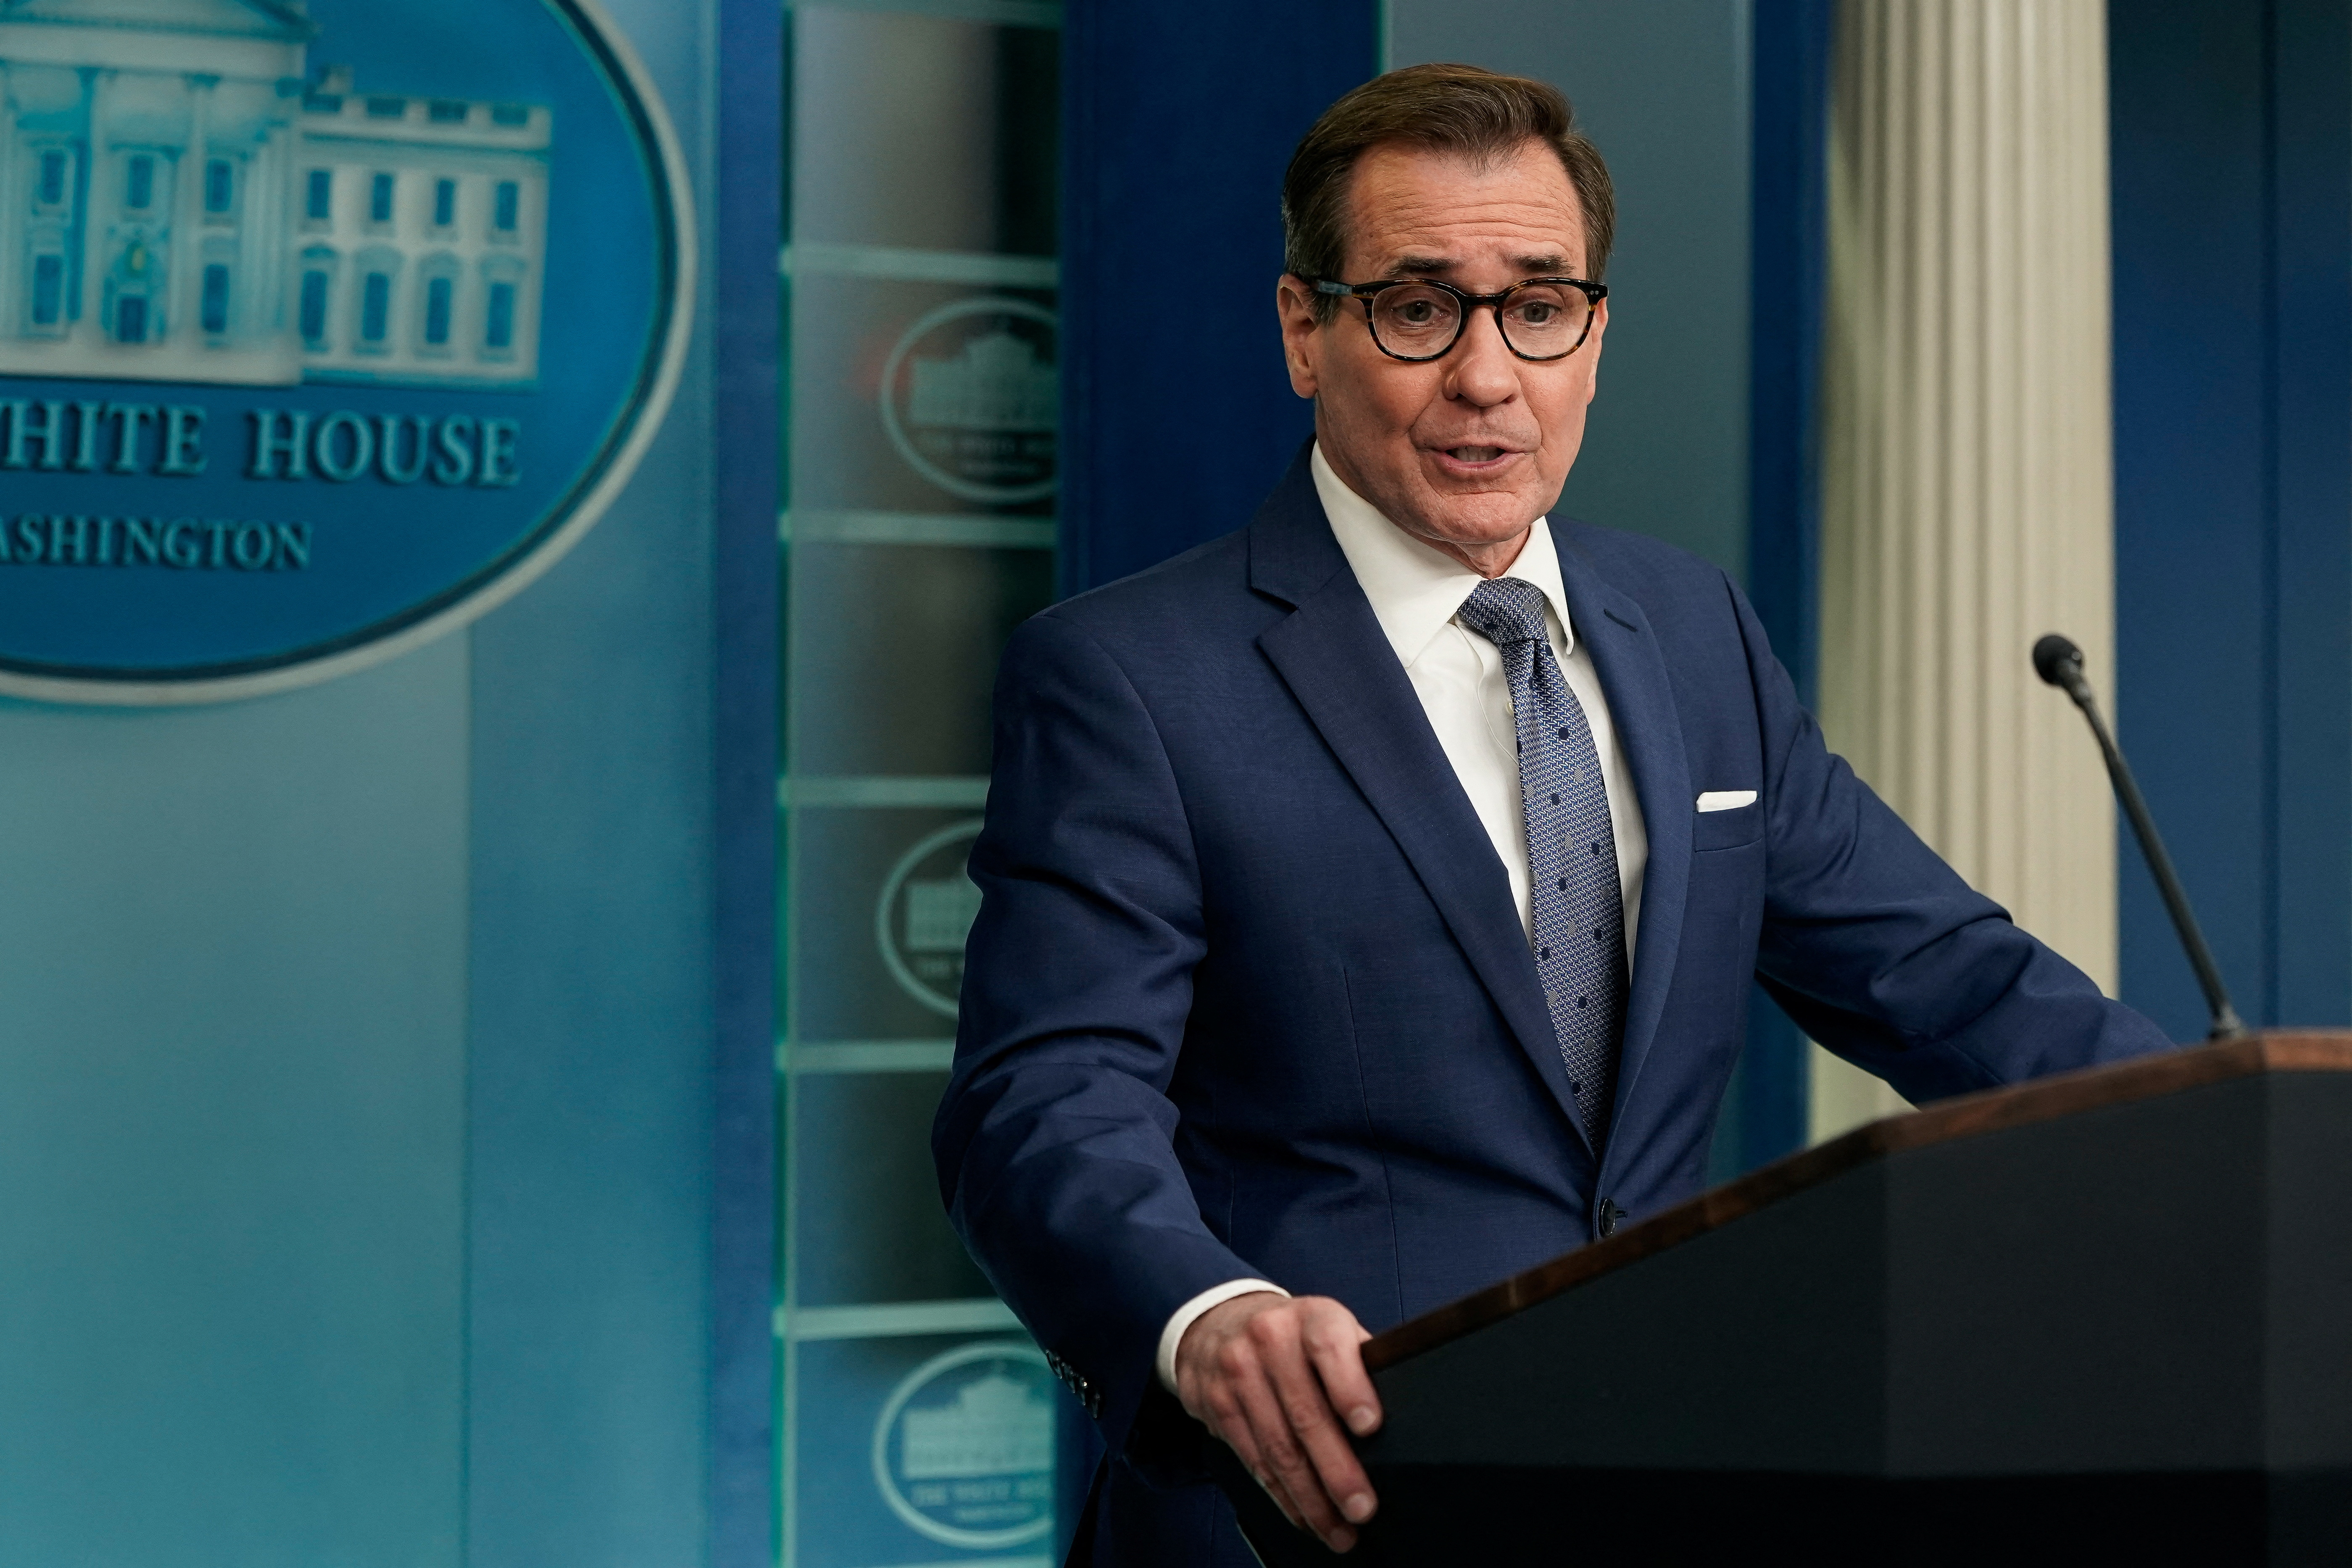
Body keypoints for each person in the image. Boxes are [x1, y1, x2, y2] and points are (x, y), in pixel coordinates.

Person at [931, 62, 2172, 1565]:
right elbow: (1045, 1099)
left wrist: (2236, 1149)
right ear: (1305, 331)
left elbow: (1949, 978)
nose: (1486, 374)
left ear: (1594, 336)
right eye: (1417, 307)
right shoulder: (1131, 677)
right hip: (1311, 1511)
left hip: (1660, 1481)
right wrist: (1207, 1316)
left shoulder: (1693, 629)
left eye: (1537, 306)